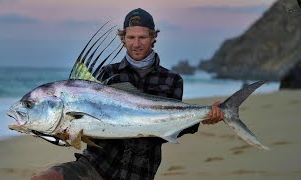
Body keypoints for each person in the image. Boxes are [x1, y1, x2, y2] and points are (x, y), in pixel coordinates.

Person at [32, 8, 224, 180]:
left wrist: (203, 117)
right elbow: (82, 125)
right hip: (95, 167)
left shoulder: (171, 79)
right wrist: (62, 129)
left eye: (142, 37)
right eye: (131, 37)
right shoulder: (107, 74)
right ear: (123, 39)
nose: (136, 44)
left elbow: (172, 125)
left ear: (153, 37)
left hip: (137, 173)